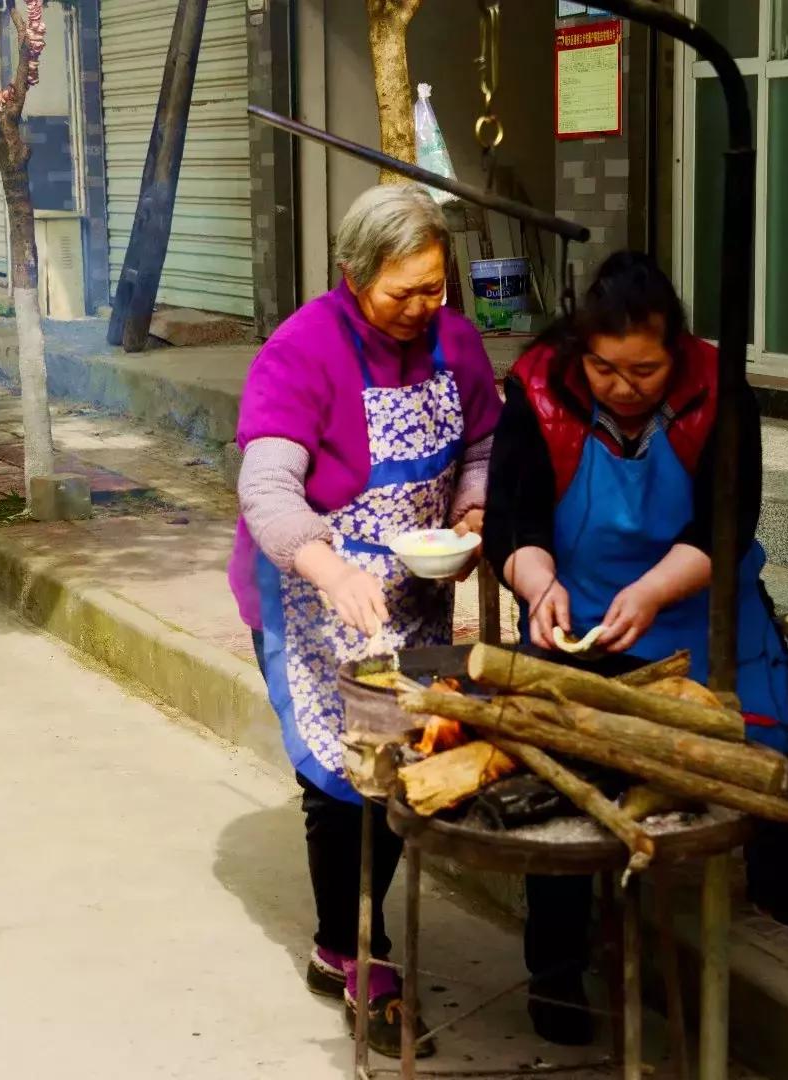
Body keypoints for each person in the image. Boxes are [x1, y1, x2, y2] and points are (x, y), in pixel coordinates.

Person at [228, 184, 588, 1057]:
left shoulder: (454, 340)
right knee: (343, 777)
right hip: (315, 592)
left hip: (415, 586)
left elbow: (483, 443)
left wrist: (471, 511)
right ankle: (352, 952)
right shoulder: (301, 349)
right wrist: (328, 567)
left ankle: (353, 936)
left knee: (402, 761)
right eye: (404, 292)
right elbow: (267, 487)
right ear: (352, 274)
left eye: (436, 286)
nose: (424, 306)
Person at [483, 251, 788, 947]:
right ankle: (558, 966)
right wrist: (538, 586)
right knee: (559, 773)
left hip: (703, 608)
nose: (623, 387)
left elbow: (727, 522)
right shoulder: (539, 388)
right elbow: (511, 522)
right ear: (580, 350)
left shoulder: (719, 387)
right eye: (604, 369)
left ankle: (776, 886)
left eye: (645, 371)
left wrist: (654, 590)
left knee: (760, 751)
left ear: (676, 352)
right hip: (579, 614)